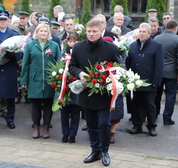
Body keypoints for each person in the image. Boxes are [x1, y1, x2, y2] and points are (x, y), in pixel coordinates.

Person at [69, 19, 121, 166]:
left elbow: (118, 67)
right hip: (86, 92)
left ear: (101, 31)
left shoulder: (110, 48)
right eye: (89, 31)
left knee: (104, 123)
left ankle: (104, 151)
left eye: (94, 32)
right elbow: (72, 66)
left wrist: (106, 78)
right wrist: (79, 74)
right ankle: (95, 151)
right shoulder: (78, 47)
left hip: (104, 94)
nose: (91, 34)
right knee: (91, 124)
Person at [20, 23, 60, 139]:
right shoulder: (30, 46)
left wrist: (58, 79)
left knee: (48, 105)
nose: (43, 33)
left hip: (49, 80)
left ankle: (46, 128)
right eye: (41, 31)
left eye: (45, 31)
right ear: (36, 33)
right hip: (34, 80)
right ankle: (36, 127)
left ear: (48, 33)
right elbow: (25, 64)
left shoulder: (54, 45)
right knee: (35, 105)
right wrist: (24, 80)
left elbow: (59, 63)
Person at [126, 23, 164, 136]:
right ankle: (137, 125)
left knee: (150, 105)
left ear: (149, 33)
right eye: (140, 32)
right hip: (134, 82)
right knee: (135, 104)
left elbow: (159, 65)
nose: (141, 34)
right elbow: (128, 63)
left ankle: (152, 126)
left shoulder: (157, 46)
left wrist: (156, 81)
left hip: (149, 81)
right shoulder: (132, 46)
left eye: (144, 32)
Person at [154, 20, 178, 125]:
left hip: (158, 71)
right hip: (171, 72)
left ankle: (154, 115)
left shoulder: (157, 38)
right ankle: (167, 118)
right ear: (175, 28)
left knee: (156, 95)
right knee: (170, 95)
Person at [61, 32, 81, 143]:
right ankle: (65, 133)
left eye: (75, 41)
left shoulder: (80, 53)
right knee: (64, 112)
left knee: (75, 112)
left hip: (76, 86)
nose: (72, 43)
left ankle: (73, 134)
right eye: (70, 41)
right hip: (65, 86)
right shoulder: (63, 53)